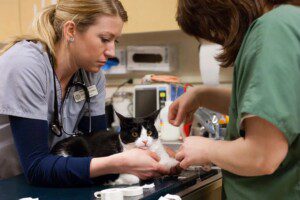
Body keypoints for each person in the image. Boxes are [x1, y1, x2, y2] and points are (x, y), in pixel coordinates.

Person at [0, 0, 169, 186]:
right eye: (105, 39)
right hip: (10, 184)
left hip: (54, 183)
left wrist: (158, 153)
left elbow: (98, 146)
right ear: (70, 31)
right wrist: (118, 162)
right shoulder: (25, 65)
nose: (112, 52)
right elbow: (36, 168)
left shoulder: (92, 76)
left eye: (115, 41)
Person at [169, 0, 300, 199]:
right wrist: (201, 95)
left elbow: (262, 156)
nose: (220, 40)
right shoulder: (289, 20)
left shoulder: (272, 30)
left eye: (213, 30)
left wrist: (207, 149)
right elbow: (272, 107)